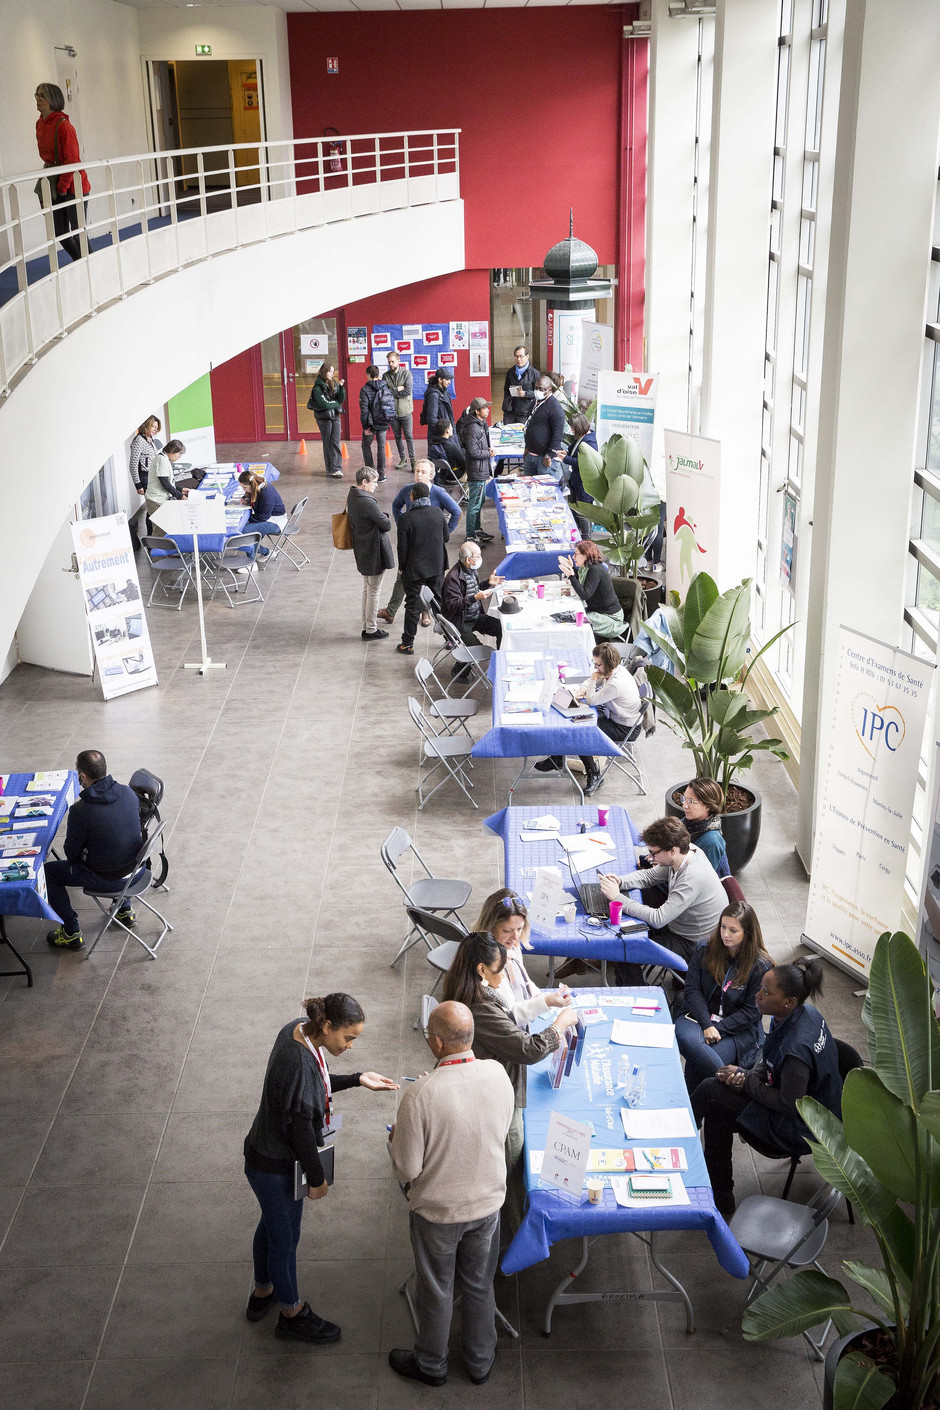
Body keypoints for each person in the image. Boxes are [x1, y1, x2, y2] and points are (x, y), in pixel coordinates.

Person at [244, 993, 398, 1342]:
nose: (350, 1045)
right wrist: (317, 1179)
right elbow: (301, 1131)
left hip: (259, 1152)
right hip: (275, 1166)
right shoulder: (300, 1063)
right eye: (348, 1037)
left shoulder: (296, 1031)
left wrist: (358, 1078)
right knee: (286, 1239)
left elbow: (316, 1083)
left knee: (270, 1225)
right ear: (327, 1026)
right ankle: (292, 1313)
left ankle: (263, 1292)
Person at [386, 1001, 515, 1387]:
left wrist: (396, 1138)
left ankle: (431, 1364)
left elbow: (407, 1168)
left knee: (438, 1288)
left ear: (438, 1043)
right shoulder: (497, 1074)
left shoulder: (420, 1095)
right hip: (488, 1205)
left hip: (438, 1214)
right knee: (479, 1283)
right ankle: (479, 1361)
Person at [442, 932, 578, 1225]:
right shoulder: (479, 1007)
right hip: (498, 1101)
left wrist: (546, 1001)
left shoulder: (477, 991)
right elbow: (527, 1049)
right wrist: (559, 1025)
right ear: (481, 970)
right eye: (499, 969)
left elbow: (508, 1018)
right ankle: (507, 1225)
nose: (503, 975)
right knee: (511, 1162)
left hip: (494, 1089)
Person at [691, 958, 842, 1218]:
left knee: (710, 1092)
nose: (757, 996)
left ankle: (678, 1145)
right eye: (761, 988)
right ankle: (720, 1195)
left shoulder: (797, 1049)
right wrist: (747, 1074)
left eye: (766, 992)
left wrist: (746, 1080)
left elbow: (788, 1104)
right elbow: (771, 1059)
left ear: (789, 1002)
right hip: (802, 1101)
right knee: (716, 1102)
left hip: (803, 1127)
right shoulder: (799, 1013)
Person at [599, 815, 728, 984]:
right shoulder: (686, 852)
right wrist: (620, 881)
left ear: (672, 850)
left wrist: (617, 898)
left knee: (624, 949)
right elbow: (650, 876)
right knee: (624, 934)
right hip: (679, 926)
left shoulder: (692, 877)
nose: (651, 858)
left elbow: (658, 919)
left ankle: (641, 996)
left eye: (654, 853)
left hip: (694, 944)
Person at [44, 749, 144, 950]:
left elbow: (71, 855)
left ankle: (70, 932)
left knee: (49, 872)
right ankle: (124, 909)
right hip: (136, 872)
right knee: (116, 846)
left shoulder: (81, 811)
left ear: (82, 776)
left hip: (108, 879)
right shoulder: (128, 793)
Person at [674, 902, 772, 1095]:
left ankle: (693, 1111)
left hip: (736, 1030)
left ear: (748, 933)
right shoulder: (705, 948)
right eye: (723, 927)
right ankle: (737, 1088)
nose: (726, 934)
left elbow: (751, 1012)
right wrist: (706, 1024)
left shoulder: (761, 966)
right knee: (687, 1039)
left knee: (697, 1064)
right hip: (697, 1017)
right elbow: (692, 990)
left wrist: (718, 1029)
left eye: (733, 930)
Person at [534, 641, 641, 797]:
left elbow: (591, 700)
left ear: (609, 664)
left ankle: (594, 774)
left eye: (598, 665)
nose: (595, 668)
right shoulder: (615, 670)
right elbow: (592, 684)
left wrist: (591, 680)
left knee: (580, 733)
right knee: (576, 723)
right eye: (594, 663)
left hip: (624, 728)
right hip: (615, 716)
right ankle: (557, 757)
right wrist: (585, 687)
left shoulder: (616, 683)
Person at [377, 460, 460, 627]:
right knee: (402, 577)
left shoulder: (438, 492)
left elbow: (456, 512)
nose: (419, 474)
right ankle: (391, 611)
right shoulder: (408, 490)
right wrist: (402, 525)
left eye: (423, 472)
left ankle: (424, 614)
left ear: (431, 475)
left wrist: (444, 534)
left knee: (426, 580)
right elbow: (396, 506)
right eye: (417, 471)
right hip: (412, 546)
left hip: (430, 549)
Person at [475, 888, 571, 1025]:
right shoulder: (488, 964)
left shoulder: (510, 946)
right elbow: (507, 1015)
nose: (515, 937)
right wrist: (546, 1002)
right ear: (490, 927)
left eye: (519, 929)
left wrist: (540, 996)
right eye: (507, 930)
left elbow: (525, 981)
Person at [34, 83, 89, 264]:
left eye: (42, 95)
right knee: (60, 232)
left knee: (78, 229)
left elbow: (71, 160)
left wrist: (63, 188)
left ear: (53, 99)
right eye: (37, 94)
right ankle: (80, 261)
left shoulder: (64, 126)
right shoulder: (40, 124)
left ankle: (91, 265)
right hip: (54, 180)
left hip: (73, 184)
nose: (38, 98)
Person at [396, 482, 450, 655]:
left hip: (414, 569)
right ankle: (451, 639)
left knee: (412, 606)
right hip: (436, 566)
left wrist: (402, 568)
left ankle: (407, 644)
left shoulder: (406, 519)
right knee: (440, 602)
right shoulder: (438, 513)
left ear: (412, 497)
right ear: (428, 497)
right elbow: (446, 537)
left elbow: (402, 548)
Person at [346, 466, 394, 641]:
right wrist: (385, 516)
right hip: (373, 550)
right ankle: (371, 629)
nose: (376, 486)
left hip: (362, 548)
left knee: (367, 588)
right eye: (373, 482)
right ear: (364, 482)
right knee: (374, 590)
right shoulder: (366, 501)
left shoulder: (352, 496)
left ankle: (367, 625)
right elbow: (386, 525)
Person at [442, 540, 503, 657]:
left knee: (501, 629)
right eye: (478, 556)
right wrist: (475, 598)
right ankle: (459, 670)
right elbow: (453, 606)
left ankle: (500, 660)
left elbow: (473, 588)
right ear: (468, 559)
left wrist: (487, 583)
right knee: (477, 651)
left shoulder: (471, 569)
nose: (480, 559)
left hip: (474, 616)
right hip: (460, 621)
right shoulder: (453, 578)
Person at [558, 540, 625, 640]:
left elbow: (585, 594)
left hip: (610, 618)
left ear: (586, 555)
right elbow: (582, 583)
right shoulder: (586, 567)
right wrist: (572, 568)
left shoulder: (595, 570)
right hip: (597, 612)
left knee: (572, 621)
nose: (573, 557)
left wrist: (571, 576)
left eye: (576, 554)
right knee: (567, 615)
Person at [680, 777, 730, 877]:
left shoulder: (711, 842)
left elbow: (697, 882)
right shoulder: (687, 823)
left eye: (690, 801)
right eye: (684, 799)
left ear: (708, 806)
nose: (684, 806)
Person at [462, 396, 493, 545]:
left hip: (481, 470)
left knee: (479, 503)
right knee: (474, 504)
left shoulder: (480, 423)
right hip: (477, 472)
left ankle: (477, 529)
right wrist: (488, 453)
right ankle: (470, 535)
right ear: (476, 411)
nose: (487, 410)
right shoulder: (473, 428)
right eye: (484, 408)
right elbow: (473, 452)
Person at [128, 415, 163, 545]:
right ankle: (151, 540)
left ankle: (154, 537)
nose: (155, 429)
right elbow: (133, 464)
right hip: (145, 477)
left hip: (153, 476)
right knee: (151, 508)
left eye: (156, 427)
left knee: (154, 507)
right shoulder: (139, 441)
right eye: (153, 426)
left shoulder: (150, 439)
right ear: (146, 425)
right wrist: (138, 484)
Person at [522, 375, 565, 479]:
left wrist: (549, 455)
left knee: (545, 492)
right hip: (530, 455)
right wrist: (527, 448)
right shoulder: (534, 403)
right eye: (536, 388)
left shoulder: (555, 408)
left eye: (541, 389)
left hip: (545, 459)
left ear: (549, 390)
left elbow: (558, 435)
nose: (537, 391)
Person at [308, 361, 346, 479]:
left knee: (335, 442)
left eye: (333, 372)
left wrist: (341, 388)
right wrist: (336, 404)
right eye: (330, 371)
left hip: (335, 417)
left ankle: (336, 468)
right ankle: (330, 467)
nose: (331, 374)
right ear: (324, 372)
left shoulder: (333, 383)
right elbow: (325, 404)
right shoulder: (317, 388)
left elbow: (340, 399)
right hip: (324, 419)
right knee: (328, 442)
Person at [562, 412, 598, 536]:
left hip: (584, 483)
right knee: (576, 509)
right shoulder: (581, 438)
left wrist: (565, 459)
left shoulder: (590, 442)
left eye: (573, 427)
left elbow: (585, 462)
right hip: (577, 481)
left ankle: (586, 538)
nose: (571, 430)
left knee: (583, 513)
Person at [359, 364, 396, 482]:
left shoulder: (365, 389)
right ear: (378, 375)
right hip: (384, 421)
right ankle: (381, 474)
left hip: (371, 423)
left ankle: (370, 473)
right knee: (381, 447)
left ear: (369, 375)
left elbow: (364, 410)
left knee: (366, 445)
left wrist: (365, 426)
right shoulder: (385, 387)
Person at [238, 469, 286, 557]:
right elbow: (250, 495)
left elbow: (263, 516)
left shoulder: (267, 493)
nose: (244, 490)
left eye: (244, 488)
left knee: (245, 532)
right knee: (248, 532)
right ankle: (264, 553)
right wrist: (246, 499)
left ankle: (253, 561)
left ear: (251, 485)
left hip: (275, 521)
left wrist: (247, 519)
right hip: (267, 517)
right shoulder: (256, 487)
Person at [145, 439, 188, 533]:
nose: (179, 457)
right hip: (156, 501)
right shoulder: (162, 460)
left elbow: (168, 482)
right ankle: (153, 548)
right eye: (179, 454)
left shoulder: (164, 459)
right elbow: (165, 483)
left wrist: (180, 490)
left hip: (159, 500)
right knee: (160, 532)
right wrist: (179, 495)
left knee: (163, 530)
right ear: (172, 450)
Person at [383, 350, 416, 471]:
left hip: (406, 411)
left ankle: (413, 461)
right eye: (389, 362)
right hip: (393, 412)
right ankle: (403, 459)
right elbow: (385, 393)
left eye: (392, 361)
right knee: (397, 436)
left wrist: (393, 392)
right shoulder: (386, 376)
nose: (391, 364)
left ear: (398, 361)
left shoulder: (407, 374)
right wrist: (398, 389)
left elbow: (407, 391)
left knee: (409, 437)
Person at [501, 345, 540, 423]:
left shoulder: (534, 373)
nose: (519, 359)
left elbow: (538, 393)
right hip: (510, 410)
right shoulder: (511, 372)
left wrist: (525, 394)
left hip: (525, 412)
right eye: (516, 356)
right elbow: (506, 389)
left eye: (521, 356)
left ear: (527, 356)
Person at [428, 418, 466, 484]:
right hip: (454, 476)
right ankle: (467, 491)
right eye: (451, 426)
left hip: (442, 476)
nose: (452, 428)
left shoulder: (433, 444)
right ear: (447, 431)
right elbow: (464, 463)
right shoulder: (451, 447)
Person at [420, 368, 455, 436]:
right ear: (440, 380)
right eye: (447, 379)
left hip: (447, 432)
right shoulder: (433, 395)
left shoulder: (446, 392)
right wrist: (444, 432)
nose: (449, 382)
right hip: (440, 435)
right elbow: (432, 419)